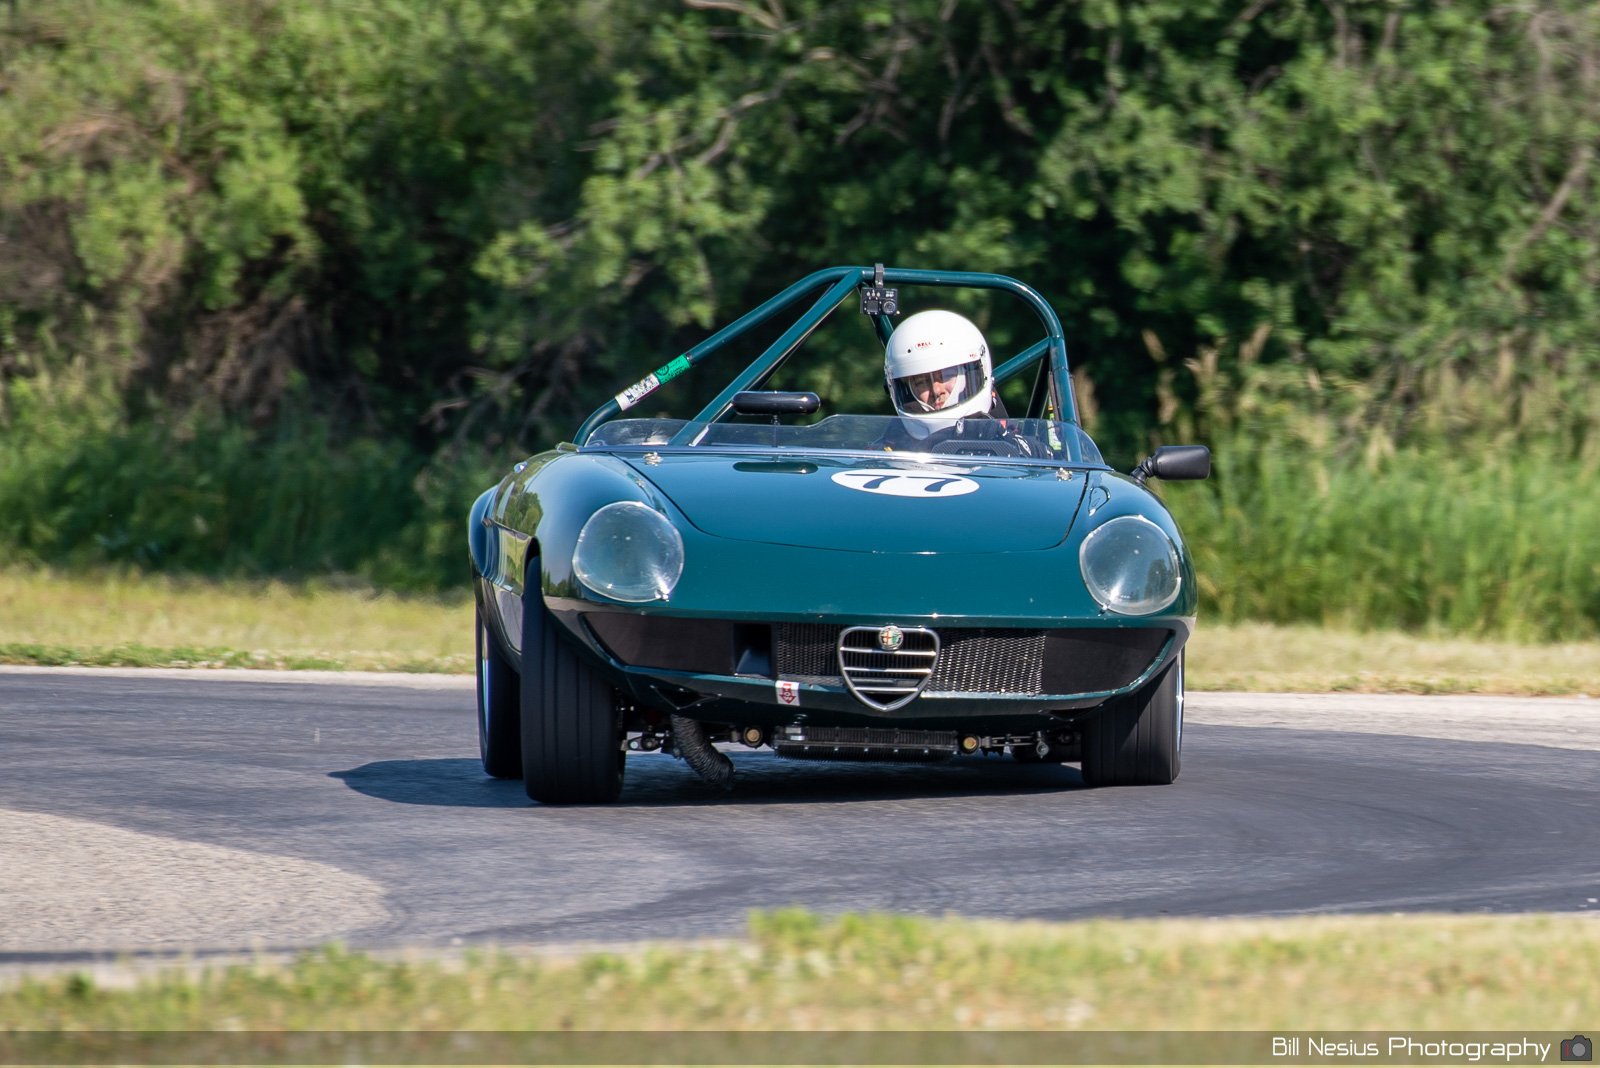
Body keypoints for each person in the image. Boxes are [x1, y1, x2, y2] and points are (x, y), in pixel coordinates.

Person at [884, 309, 1007, 422]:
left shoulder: (1006, 437)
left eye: (946, 376)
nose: (937, 390)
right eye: (922, 382)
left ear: (971, 375)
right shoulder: (893, 439)